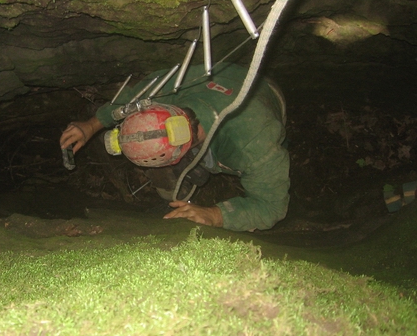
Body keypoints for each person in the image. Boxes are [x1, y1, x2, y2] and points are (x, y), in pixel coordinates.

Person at [60, 62, 289, 232]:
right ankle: (174, 196)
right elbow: (132, 98)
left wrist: (215, 215)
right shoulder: (170, 87)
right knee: (170, 180)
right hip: (227, 75)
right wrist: (91, 125)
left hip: (265, 93)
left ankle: (180, 187)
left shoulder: (255, 145)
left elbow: (271, 207)